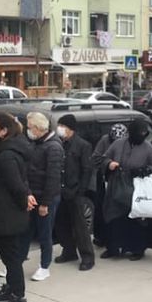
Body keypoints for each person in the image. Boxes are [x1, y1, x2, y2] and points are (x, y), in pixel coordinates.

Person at [0, 112, 35, 302]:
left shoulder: (6, 155)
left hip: (7, 215)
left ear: (4, 131)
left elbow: (16, 184)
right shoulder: (12, 148)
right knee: (9, 256)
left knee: (11, 258)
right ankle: (11, 288)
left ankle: (18, 297)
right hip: (6, 213)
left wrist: (25, 197)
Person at [101, 119, 152, 260]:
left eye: (144, 133)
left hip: (135, 187)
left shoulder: (148, 147)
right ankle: (113, 248)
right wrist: (109, 164)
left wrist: (144, 170)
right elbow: (103, 158)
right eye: (139, 133)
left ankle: (137, 249)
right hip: (116, 184)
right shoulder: (118, 144)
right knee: (113, 217)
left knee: (135, 218)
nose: (141, 135)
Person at [21, 112, 64, 281]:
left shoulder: (53, 147)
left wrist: (45, 204)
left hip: (47, 198)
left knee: (44, 234)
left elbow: (53, 178)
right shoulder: (36, 143)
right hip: (33, 195)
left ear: (39, 129)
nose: (28, 130)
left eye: (30, 127)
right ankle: (18, 260)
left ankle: (45, 266)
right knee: (25, 231)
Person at [53, 114, 95, 271]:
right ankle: (69, 251)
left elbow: (87, 170)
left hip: (75, 190)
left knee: (80, 226)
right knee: (61, 224)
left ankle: (87, 257)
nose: (59, 129)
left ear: (70, 129)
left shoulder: (82, 145)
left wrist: (80, 191)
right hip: (60, 190)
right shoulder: (59, 143)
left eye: (62, 126)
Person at [91, 124, 127, 247]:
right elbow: (96, 157)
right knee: (101, 208)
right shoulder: (104, 140)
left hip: (121, 180)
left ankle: (119, 238)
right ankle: (101, 237)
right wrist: (108, 164)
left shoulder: (127, 142)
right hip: (104, 178)